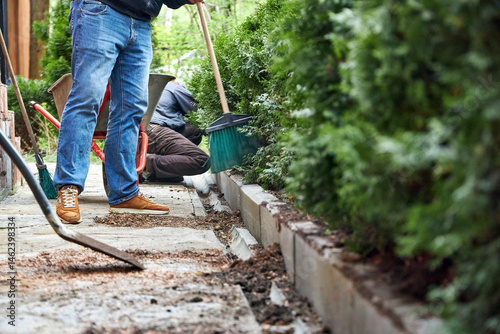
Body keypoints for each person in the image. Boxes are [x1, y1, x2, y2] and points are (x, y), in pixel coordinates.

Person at [54, 0, 204, 224]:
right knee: (86, 101)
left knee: (132, 109)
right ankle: (69, 186)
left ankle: (124, 192)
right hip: (101, 11)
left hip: (141, 22)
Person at [142, 81, 210, 183]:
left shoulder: (141, 86)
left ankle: (162, 174)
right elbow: (199, 115)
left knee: (192, 131)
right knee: (201, 160)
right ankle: (144, 162)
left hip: (134, 133)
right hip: (152, 130)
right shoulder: (174, 87)